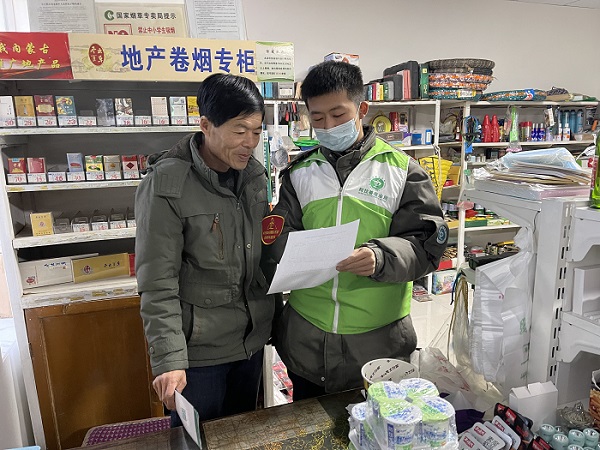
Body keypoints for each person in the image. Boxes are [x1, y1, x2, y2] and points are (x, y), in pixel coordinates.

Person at [264, 61, 449, 400]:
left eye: (338, 115)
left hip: (377, 341)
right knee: (309, 421)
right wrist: (289, 250)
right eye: (318, 118)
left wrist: (381, 257)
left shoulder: (402, 171)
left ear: (362, 110)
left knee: (378, 422)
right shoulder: (299, 173)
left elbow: (426, 243)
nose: (328, 126)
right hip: (308, 340)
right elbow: (279, 234)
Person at [135, 73, 279, 425]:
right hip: (198, 355)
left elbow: (260, 254)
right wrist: (169, 359)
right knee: (195, 441)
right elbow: (157, 281)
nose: (249, 142)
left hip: (250, 343)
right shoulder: (167, 184)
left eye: (256, 132)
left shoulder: (254, 176)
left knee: (242, 435)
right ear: (205, 125)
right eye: (239, 131)